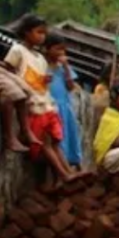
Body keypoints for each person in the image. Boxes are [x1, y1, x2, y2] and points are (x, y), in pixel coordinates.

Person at [6, 15, 85, 183]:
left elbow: (42, 82)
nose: (42, 36)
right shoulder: (17, 50)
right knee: (47, 143)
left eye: (44, 33)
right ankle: (65, 175)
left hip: (47, 104)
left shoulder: (39, 58)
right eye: (38, 32)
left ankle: (68, 172)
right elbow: (8, 71)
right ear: (26, 32)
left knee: (55, 142)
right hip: (33, 104)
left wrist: (44, 81)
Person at [0, 17, 41, 153]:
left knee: (25, 90)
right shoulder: (18, 49)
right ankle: (9, 138)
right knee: (11, 93)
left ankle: (25, 130)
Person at [44, 33, 83, 168]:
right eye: (58, 49)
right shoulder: (42, 66)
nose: (61, 53)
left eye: (63, 50)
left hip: (65, 107)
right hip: (51, 107)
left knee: (69, 136)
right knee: (58, 140)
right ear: (47, 49)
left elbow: (70, 87)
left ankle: (73, 165)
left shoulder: (62, 68)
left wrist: (66, 67)